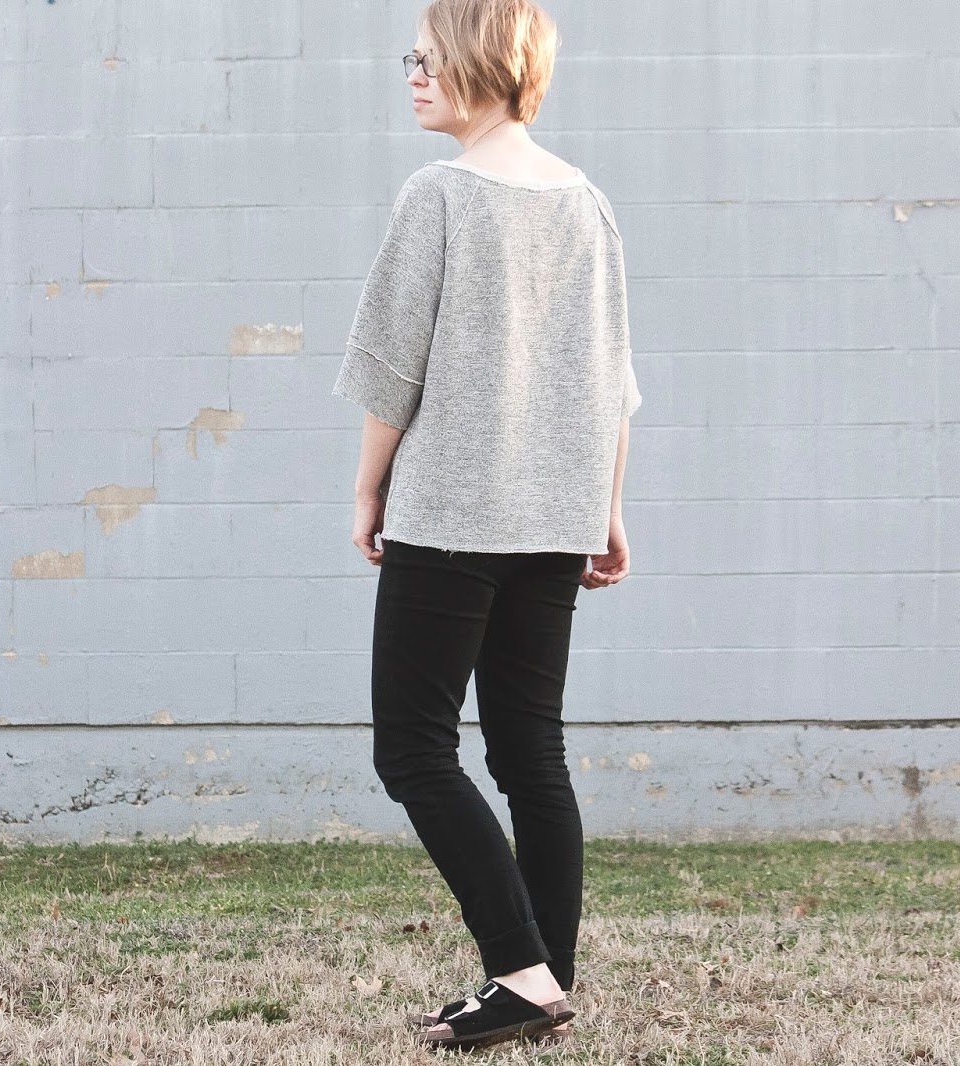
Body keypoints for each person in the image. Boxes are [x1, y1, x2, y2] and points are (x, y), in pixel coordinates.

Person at [329, 0, 641, 1051]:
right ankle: (542, 983)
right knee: (529, 755)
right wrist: (605, 508)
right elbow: (614, 382)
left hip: (454, 512)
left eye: (427, 57)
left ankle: (521, 972)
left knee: (413, 751)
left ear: (477, 62)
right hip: (555, 517)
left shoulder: (440, 194)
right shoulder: (587, 202)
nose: (412, 73)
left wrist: (368, 488)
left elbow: (391, 364)